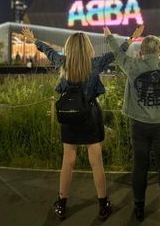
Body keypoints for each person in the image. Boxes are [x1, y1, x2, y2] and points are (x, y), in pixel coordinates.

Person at [21, 28, 119, 221]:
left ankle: (62, 205)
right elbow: (115, 54)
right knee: (96, 161)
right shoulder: (95, 64)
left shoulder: (63, 63)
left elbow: (48, 51)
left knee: (68, 161)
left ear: (69, 48)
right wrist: (130, 39)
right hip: (91, 116)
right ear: (88, 48)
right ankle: (102, 205)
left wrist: (34, 39)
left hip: (69, 116)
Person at [104, 19, 160, 223]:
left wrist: (109, 36)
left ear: (141, 51)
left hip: (139, 125)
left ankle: (139, 209)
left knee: (140, 166)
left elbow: (118, 54)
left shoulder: (132, 66)